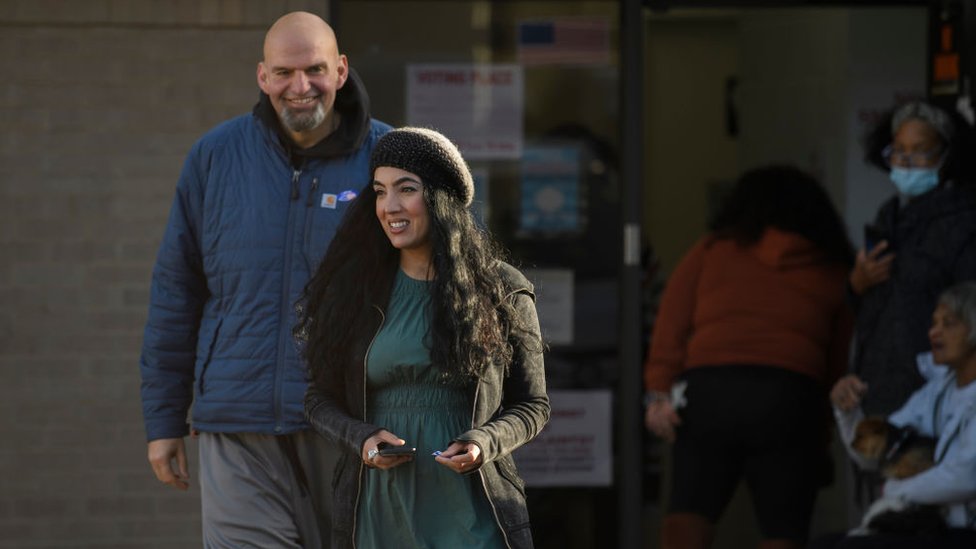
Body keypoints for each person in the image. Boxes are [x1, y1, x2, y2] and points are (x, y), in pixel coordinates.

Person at [139, 11, 390, 547]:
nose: (300, 87)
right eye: (284, 73)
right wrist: (164, 420)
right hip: (238, 424)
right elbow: (176, 293)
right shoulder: (215, 158)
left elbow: (446, 282)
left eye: (315, 70)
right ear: (262, 77)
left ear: (341, 70)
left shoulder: (390, 161)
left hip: (353, 426)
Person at [296, 127, 550, 549]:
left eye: (405, 189)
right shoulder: (356, 291)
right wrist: (360, 439)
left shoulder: (502, 289)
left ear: (440, 198)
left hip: (472, 511)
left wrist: (485, 442)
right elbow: (318, 399)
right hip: (377, 512)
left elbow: (533, 405)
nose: (388, 206)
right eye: (379, 191)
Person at [643, 166, 855, 549]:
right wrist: (821, 432)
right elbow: (837, 362)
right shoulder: (833, 270)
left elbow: (671, 325)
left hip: (710, 393)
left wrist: (658, 393)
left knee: (687, 521)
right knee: (782, 530)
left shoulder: (712, 251)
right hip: (790, 397)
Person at [818, 282, 976, 549]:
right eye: (933, 322)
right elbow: (875, 456)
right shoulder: (936, 391)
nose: (933, 332)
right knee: (823, 544)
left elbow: (966, 476)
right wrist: (848, 412)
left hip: (966, 531)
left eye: (948, 323)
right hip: (930, 525)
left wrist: (898, 490)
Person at [849, 100, 976, 416]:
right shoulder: (889, 218)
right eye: (899, 151)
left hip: (934, 398)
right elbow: (868, 310)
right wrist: (857, 283)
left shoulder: (963, 223)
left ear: (947, 156)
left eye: (920, 151)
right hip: (874, 391)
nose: (906, 162)